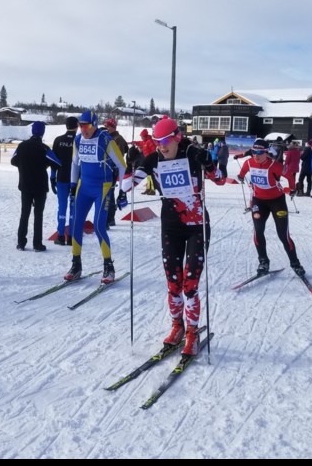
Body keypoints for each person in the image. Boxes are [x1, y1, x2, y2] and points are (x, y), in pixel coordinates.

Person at [119, 117, 215, 356]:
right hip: (171, 227)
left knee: (190, 284)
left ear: (177, 137)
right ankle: (177, 326)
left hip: (197, 226)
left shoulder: (192, 153)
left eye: (165, 140)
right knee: (173, 283)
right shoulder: (154, 159)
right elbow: (126, 187)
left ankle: (192, 331)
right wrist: (130, 164)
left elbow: (220, 178)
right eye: (157, 141)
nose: (161, 146)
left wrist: (210, 164)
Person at [64, 110, 126, 284]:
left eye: (87, 126)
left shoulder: (105, 140)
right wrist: (73, 186)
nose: (83, 129)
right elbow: (75, 164)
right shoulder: (78, 140)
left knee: (99, 225)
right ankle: (76, 264)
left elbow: (122, 165)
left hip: (103, 187)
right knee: (76, 223)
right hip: (84, 187)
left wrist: (122, 190)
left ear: (95, 125)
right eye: (81, 126)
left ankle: (109, 266)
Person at [237, 138, 306, 277]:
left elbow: (290, 176)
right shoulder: (248, 163)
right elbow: (242, 173)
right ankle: (263, 262)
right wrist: (240, 176)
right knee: (258, 230)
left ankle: (295, 264)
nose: (256, 155)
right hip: (258, 202)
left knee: (283, 235)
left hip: (277, 202)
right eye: (253, 152)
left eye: (259, 152)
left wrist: (292, 189)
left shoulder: (275, 165)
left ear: (266, 152)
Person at [11, 121, 60, 252]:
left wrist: (24, 166)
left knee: (24, 213)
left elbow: (13, 160)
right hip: (40, 186)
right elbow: (57, 163)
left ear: (32, 131)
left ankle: (21, 243)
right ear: (42, 132)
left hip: (25, 184)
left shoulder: (22, 145)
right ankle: (37, 244)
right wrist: (44, 165)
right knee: (38, 215)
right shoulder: (44, 148)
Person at [51, 116, 78, 245]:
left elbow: (53, 161)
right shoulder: (79, 140)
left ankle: (61, 235)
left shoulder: (58, 140)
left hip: (61, 178)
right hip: (76, 180)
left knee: (62, 207)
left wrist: (52, 177)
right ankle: (72, 236)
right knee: (74, 208)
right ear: (77, 126)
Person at [102, 118, 129, 229]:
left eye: (108, 126)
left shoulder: (118, 139)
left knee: (110, 194)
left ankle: (110, 218)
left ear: (113, 127)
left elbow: (121, 153)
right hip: (107, 168)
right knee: (107, 193)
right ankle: (108, 218)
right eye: (106, 126)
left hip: (113, 169)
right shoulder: (109, 137)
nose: (107, 128)